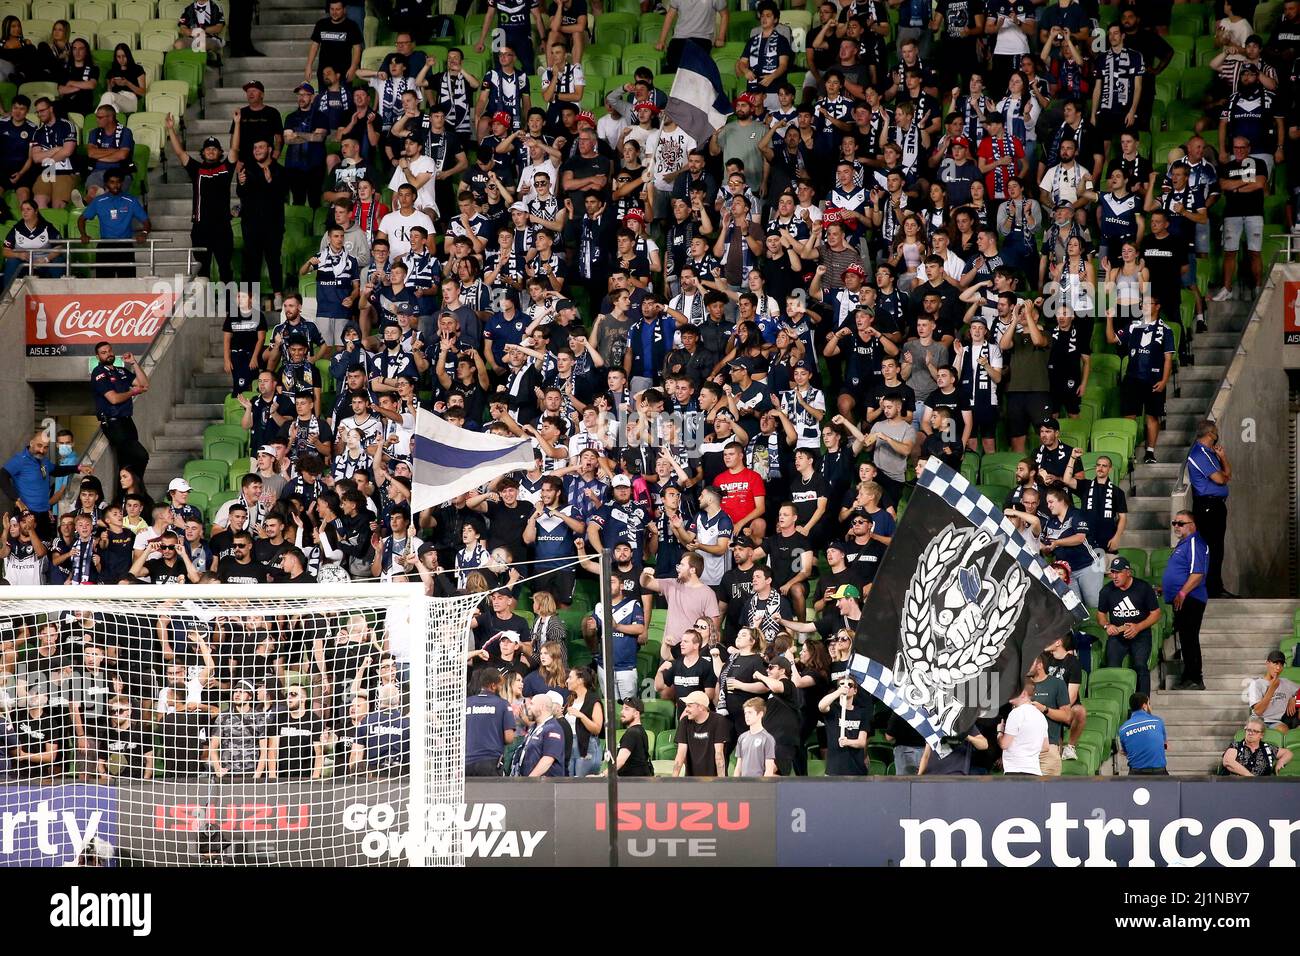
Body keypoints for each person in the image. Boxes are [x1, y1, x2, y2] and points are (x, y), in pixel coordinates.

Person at [166, 118, 234, 283]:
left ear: (220, 152)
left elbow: (235, 149)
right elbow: (180, 153)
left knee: (225, 268)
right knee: (202, 270)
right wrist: (170, 129)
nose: (211, 151)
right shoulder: (196, 169)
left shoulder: (226, 168)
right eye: (208, 149)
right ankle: (206, 306)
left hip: (223, 227)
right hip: (200, 227)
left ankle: (230, 307)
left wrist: (237, 123)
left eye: (214, 149)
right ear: (203, 153)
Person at [1097, 555, 1163, 696]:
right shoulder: (1106, 591)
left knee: (1140, 666)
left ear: (1128, 572)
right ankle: (1115, 700)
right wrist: (1107, 626)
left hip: (1140, 634)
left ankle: (1143, 704)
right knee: (1112, 667)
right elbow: (1101, 614)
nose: (1114, 576)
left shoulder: (1143, 588)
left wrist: (1138, 627)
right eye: (1113, 572)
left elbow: (1156, 613)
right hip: (1118, 636)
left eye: (1118, 572)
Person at [91, 341, 151, 482]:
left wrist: (134, 363)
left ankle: (125, 497)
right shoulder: (99, 373)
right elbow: (113, 399)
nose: (108, 354)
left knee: (126, 463)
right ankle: (135, 489)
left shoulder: (121, 371)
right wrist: (132, 392)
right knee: (140, 455)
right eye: (103, 353)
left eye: (109, 351)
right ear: (98, 356)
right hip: (112, 422)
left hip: (127, 420)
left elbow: (144, 385)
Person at [1165, 509, 1211, 691]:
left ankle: (1195, 677)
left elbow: (1198, 573)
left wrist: (1182, 593)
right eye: (1174, 523)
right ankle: (1188, 676)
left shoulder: (1194, 543)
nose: (1176, 526)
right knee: (1185, 639)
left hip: (1191, 599)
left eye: (1180, 523)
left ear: (1192, 525)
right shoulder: (1183, 544)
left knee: (1190, 638)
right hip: (1183, 599)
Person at [1185, 419, 1231, 598]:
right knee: (1211, 548)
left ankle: (1216, 587)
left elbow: (1228, 475)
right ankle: (1210, 589)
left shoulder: (1211, 453)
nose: (1217, 435)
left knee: (1218, 547)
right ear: (1211, 434)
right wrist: (1224, 476)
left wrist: (1223, 458)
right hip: (1207, 507)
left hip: (1217, 505)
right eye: (1216, 432)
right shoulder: (1198, 454)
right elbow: (1220, 479)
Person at [78, 169, 149, 278]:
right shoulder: (98, 201)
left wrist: (144, 232)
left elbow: (146, 222)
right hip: (105, 246)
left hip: (126, 246)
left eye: (118, 182)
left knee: (127, 283)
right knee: (104, 283)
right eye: (112, 182)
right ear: (106, 183)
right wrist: (83, 234)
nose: (116, 185)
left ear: (122, 183)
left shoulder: (131, 201)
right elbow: (82, 219)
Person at [1026, 652, 1073, 775]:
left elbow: (1067, 716)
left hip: (1048, 748)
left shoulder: (1057, 684)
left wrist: (1045, 709)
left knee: (1049, 792)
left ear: (1040, 665)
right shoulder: (1022, 685)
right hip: (1024, 749)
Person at [464, 667, 516, 776]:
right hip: (491, 762)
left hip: (466, 762)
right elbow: (509, 737)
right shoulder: (503, 704)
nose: (502, 688)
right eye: (500, 685)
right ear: (493, 686)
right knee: (491, 793)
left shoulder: (467, 703)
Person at [818, 676, 869, 775]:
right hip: (835, 769)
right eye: (842, 684)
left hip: (856, 769)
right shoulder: (833, 709)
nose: (846, 687)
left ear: (855, 691)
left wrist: (847, 742)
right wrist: (839, 692)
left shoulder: (862, 712)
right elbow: (821, 706)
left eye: (850, 685)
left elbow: (862, 742)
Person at [672, 690, 728, 776]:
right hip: (692, 778)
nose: (686, 710)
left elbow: (719, 755)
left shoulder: (718, 720)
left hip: (713, 779)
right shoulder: (685, 722)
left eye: (689, 706)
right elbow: (680, 754)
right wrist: (673, 779)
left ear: (701, 707)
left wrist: (722, 781)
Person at [998, 679, 1049, 776]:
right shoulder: (1040, 716)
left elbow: (1004, 744)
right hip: (1035, 772)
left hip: (1016, 772)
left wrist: (1000, 732)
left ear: (1023, 693)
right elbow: (1045, 746)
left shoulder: (1016, 713)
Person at [514, 693, 567, 777]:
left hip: (544, 785)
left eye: (532, 704)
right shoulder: (534, 727)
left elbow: (548, 759)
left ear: (541, 707)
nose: (528, 707)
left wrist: (530, 780)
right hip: (531, 783)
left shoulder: (553, 729)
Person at [1222, 715, 1293, 776]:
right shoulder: (1236, 746)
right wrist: (1250, 777)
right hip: (1238, 785)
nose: (1250, 733)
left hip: (1263, 787)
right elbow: (1228, 761)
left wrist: (1280, 762)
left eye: (1255, 731)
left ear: (1261, 735)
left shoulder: (1268, 748)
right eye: (1248, 730)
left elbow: (1287, 753)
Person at [1247, 651, 1300, 731]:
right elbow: (1258, 711)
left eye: (1281, 664)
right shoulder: (1256, 684)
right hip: (1258, 721)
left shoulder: (1286, 683)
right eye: (1275, 663)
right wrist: (1272, 689)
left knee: (1283, 729)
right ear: (1267, 663)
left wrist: (1294, 698)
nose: (1278, 668)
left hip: (1276, 722)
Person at [1117, 693, 1169, 774]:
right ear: (1144, 706)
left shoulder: (1122, 729)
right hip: (1159, 774)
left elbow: (1125, 752)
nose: (1150, 707)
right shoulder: (1157, 721)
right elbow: (1164, 745)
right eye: (1149, 704)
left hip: (1135, 775)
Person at [733, 697, 778, 777]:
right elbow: (738, 766)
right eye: (745, 713)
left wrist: (763, 787)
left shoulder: (767, 738)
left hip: (759, 784)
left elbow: (769, 769)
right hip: (743, 784)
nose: (746, 716)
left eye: (750, 712)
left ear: (760, 714)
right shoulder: (742, 737)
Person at [615, 696, 655, 776]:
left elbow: (620, 761)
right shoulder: (640, 730)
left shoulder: (632, 733)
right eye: (622, 708)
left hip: (632, 784)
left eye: (626, 709)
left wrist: (602, 775)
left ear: (636, 713)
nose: (622, 712)